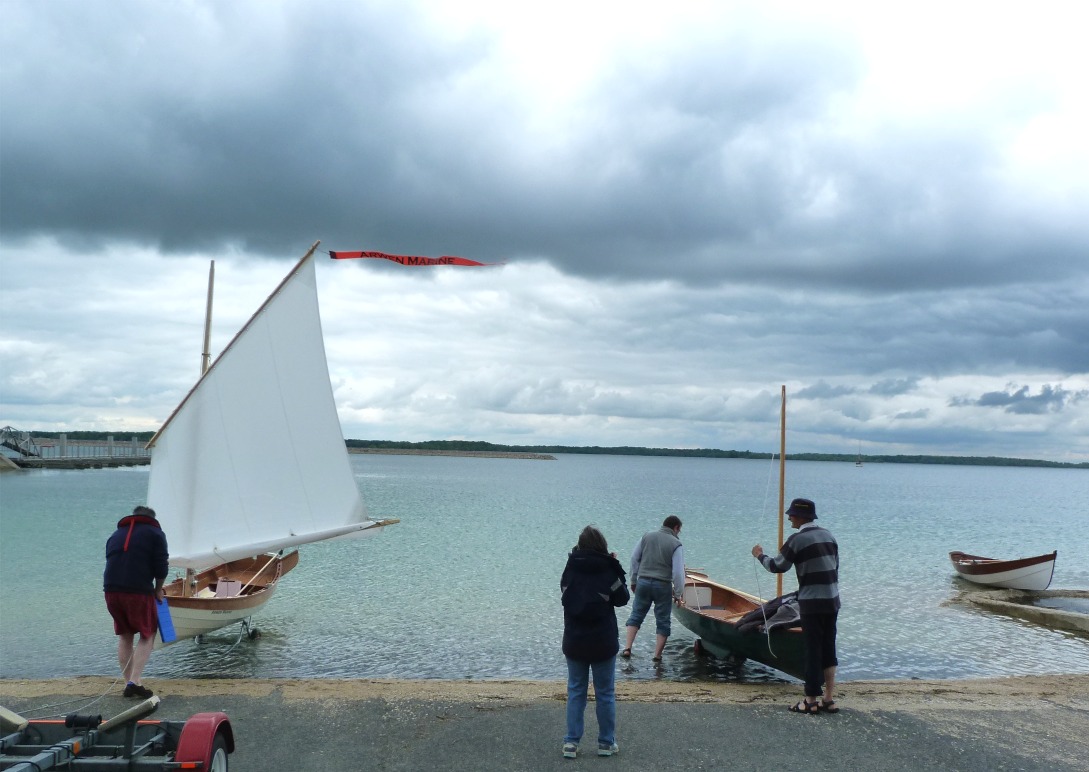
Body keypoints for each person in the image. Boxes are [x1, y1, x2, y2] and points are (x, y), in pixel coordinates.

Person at [752, 497, 840, 715]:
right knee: (828, 647)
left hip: (811, 603)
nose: (788, 517)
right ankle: (828, 698)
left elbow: (777, 567)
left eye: (791, 514)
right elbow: (835, 566)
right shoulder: (828, 535)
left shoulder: (797, 539)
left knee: (811, 650)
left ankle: (810, 700)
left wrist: (759, 555)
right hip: (833, 600)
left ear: (800, 517)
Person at [560, 525, 630, 759]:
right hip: (602, 639)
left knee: (576, 691)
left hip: (574, 639)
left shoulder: (571, 567)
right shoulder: (607, 569)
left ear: (579, 546)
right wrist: (614, 566)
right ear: (602, 545)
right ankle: (606, 743)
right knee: (605, 693)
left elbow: (564, 591)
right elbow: (622, 599)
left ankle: (571, 742)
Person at [103, 505, 169, 698]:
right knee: (148, 633)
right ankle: (135, 681)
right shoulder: (156, 534)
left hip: (111, 591)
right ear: (152, 519)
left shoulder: (116, 534)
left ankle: (127, 684)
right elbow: (161, 567)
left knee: (125, 635)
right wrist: (158, 590)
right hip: (137, 592)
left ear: (133, 517)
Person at [621, 515, 684, 663]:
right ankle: (656, 656)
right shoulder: (676, 544)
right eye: (679, 531)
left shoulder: (647, 536)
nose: (678, 534)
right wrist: (679, 594)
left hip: (643, 582)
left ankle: (627, 648)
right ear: (676, 528)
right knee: (663, 620)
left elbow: (634, 558)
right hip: (663, 585)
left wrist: (633, 579)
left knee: (636, 614)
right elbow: (678, 572)